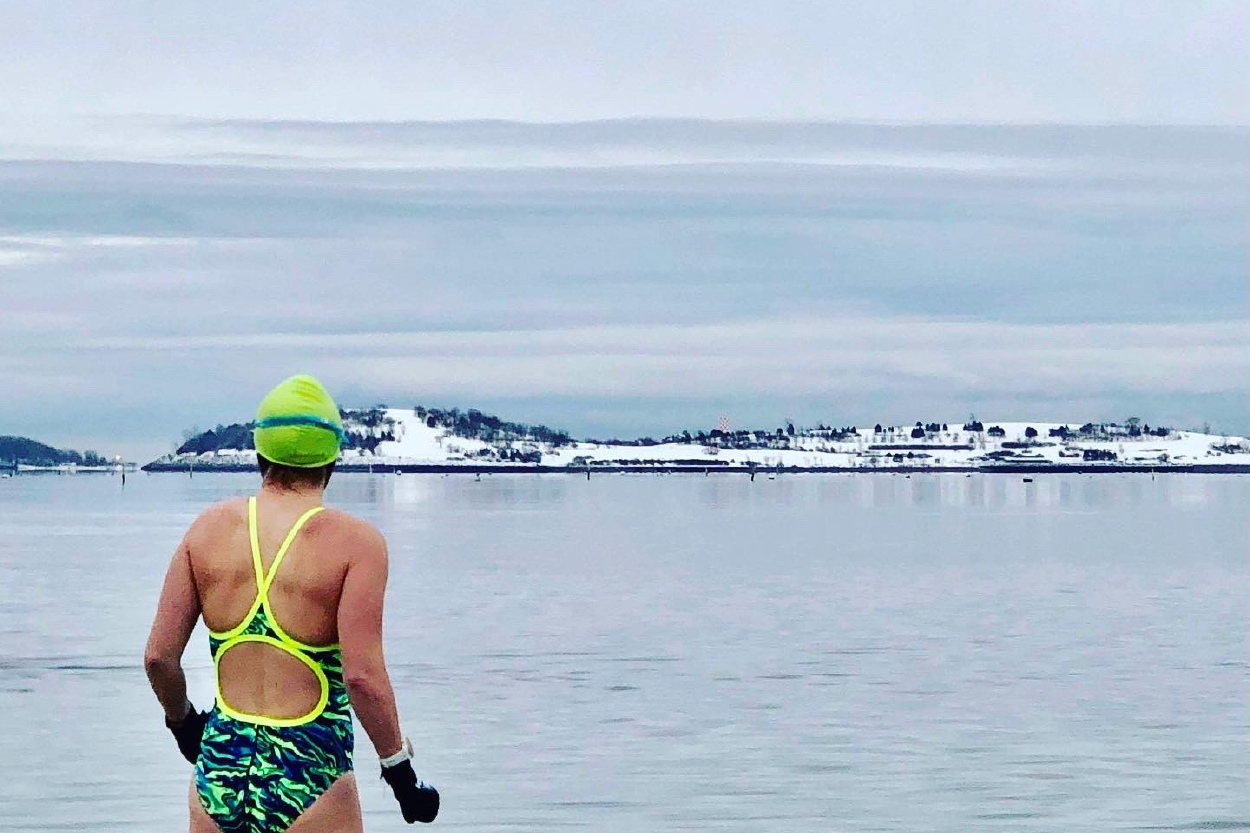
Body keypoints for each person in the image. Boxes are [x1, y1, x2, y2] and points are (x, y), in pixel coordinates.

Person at [144, 374, 439, 832]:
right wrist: (401, 776)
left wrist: (185, 727)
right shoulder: (357, 545)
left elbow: (159, 657)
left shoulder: (206, 530)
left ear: (260, 453)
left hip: (218, 776)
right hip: (311, 779)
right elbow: (361, 677)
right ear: (332, 459)